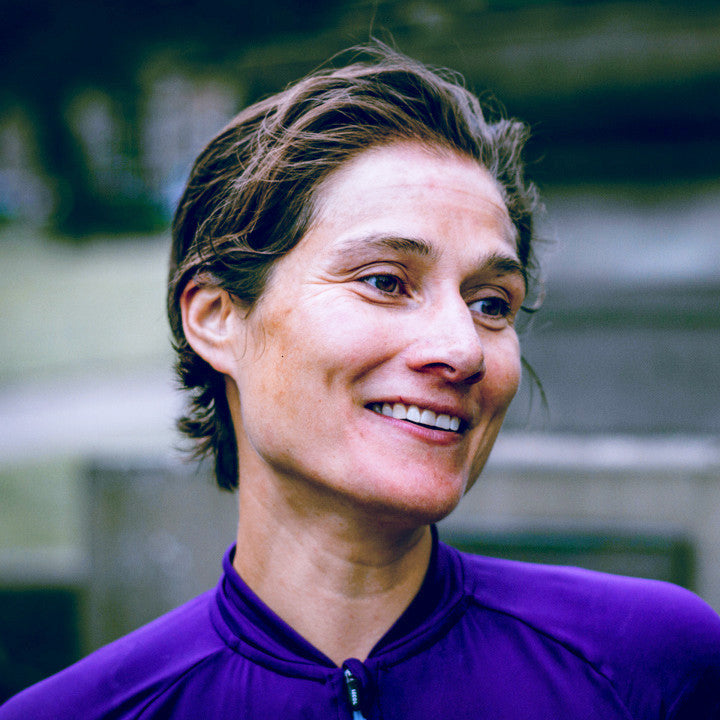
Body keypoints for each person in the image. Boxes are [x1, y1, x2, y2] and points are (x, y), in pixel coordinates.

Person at [2, 44, 720, 720]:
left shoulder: (650, 666)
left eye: (491, 303)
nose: (462, 349)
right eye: (384, 281)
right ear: (217, 317)